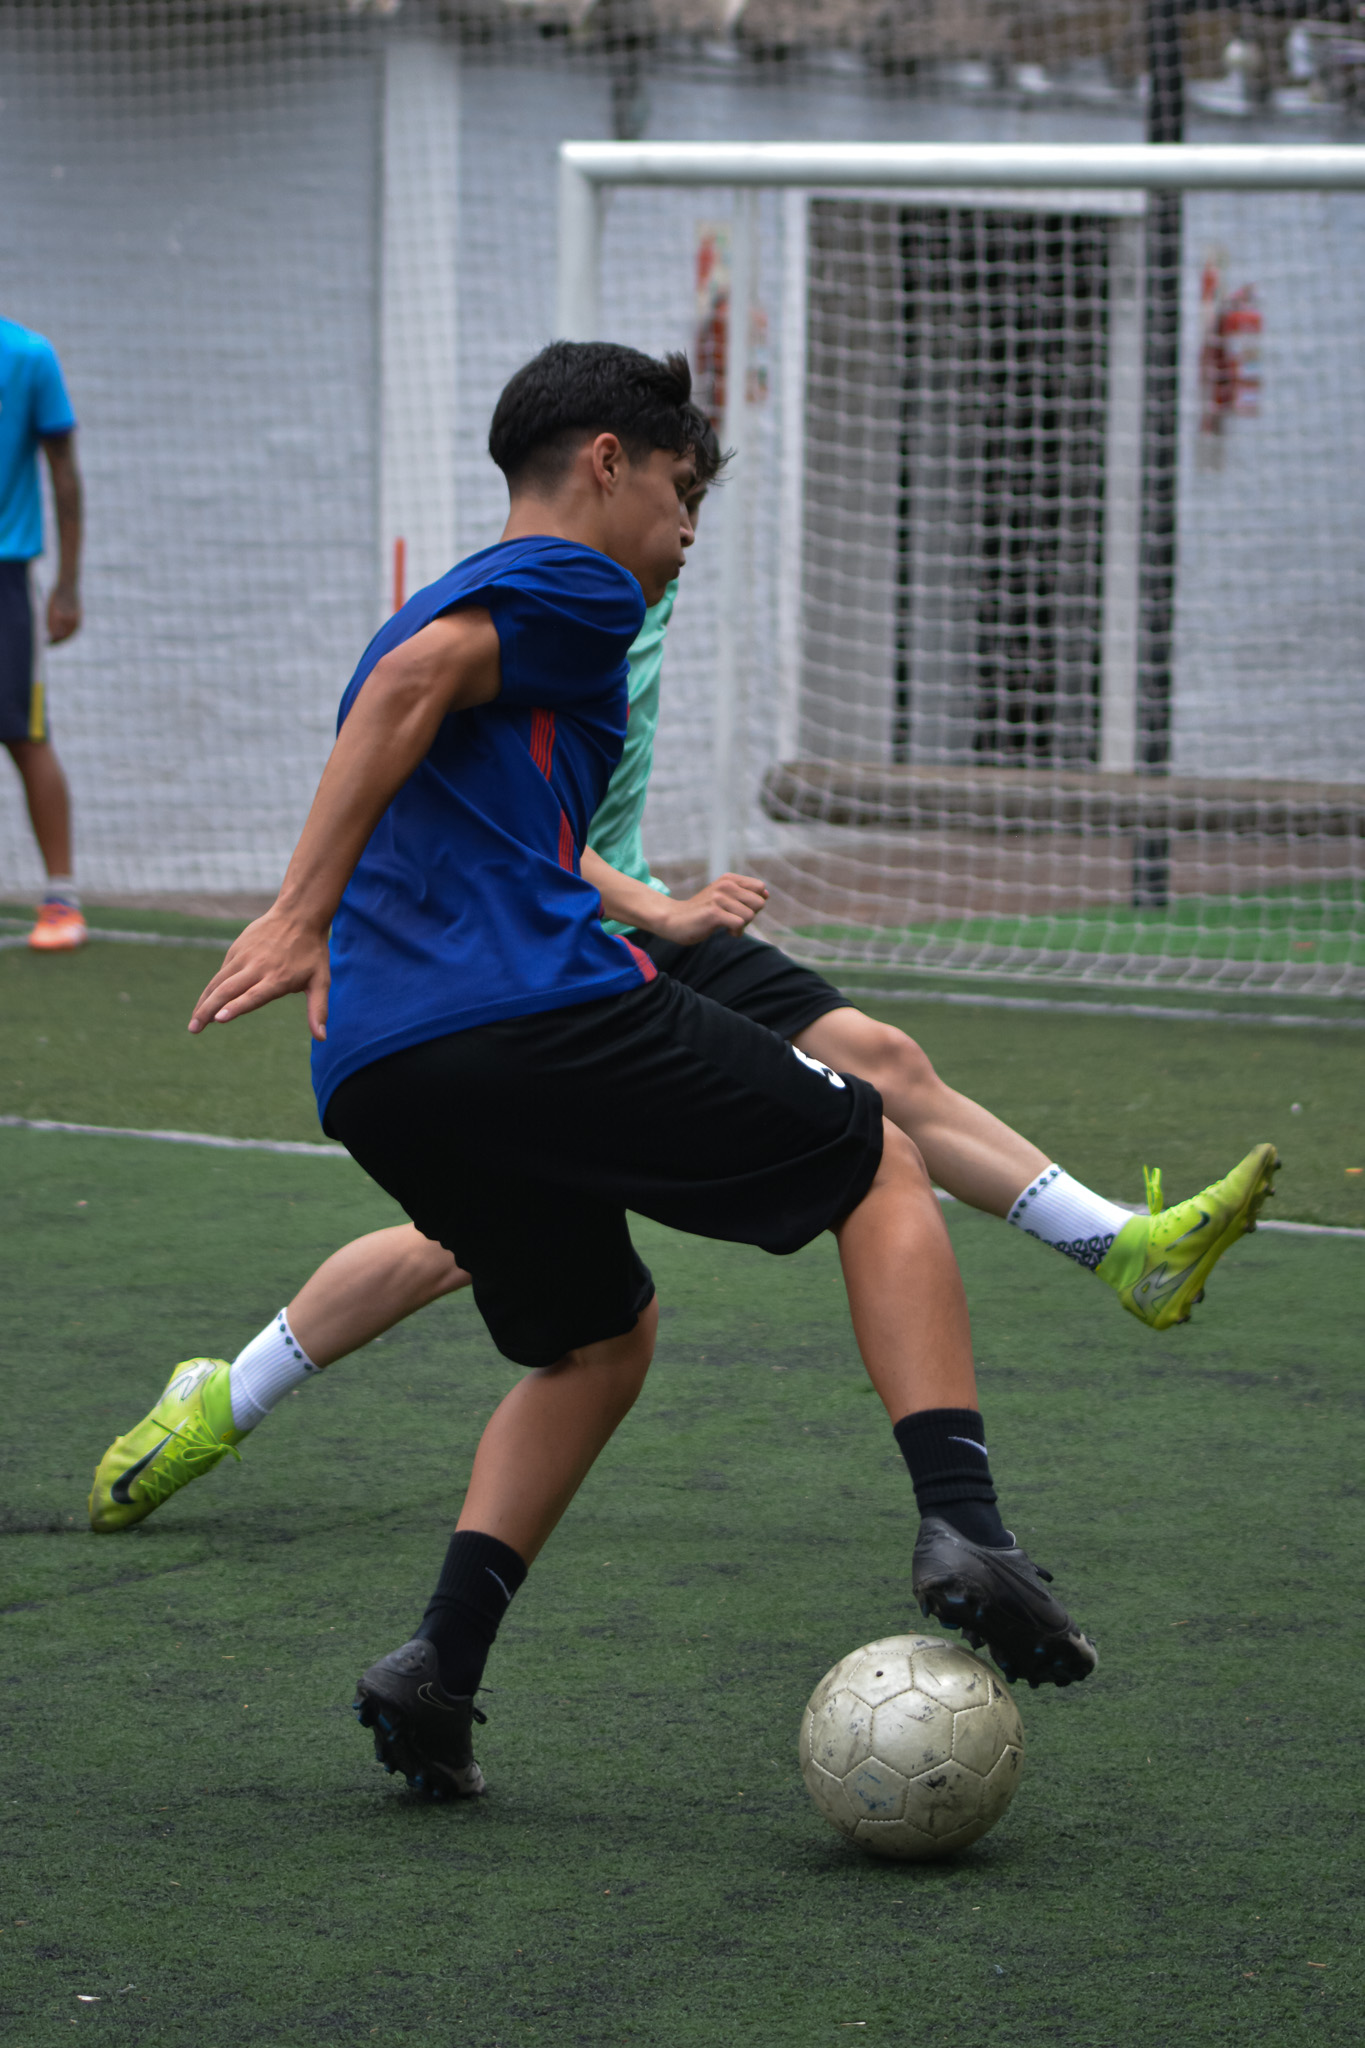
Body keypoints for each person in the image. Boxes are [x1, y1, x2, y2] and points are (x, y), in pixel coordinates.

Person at [91, 434, 1278, 1549]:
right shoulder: (557, 594)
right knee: (453, 1245)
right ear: (611, 472)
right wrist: (621, 907)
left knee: (884, 1059)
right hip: (562, 947)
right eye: (681, 494)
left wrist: (651, 905)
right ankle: (225, 1395)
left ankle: (1121, 1246)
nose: (691, 528)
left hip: (623, 924)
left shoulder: (620, 602)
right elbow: (485, 806)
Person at [0, 314, 85, 950]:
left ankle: (62, 899)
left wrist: (67, 584)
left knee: (26, 733)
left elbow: (64, 471)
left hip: (6, 576)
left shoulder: (29, 355)